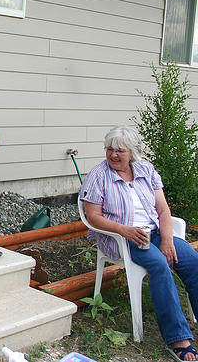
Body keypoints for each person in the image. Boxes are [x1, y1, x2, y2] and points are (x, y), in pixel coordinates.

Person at [80, 125, 198, 361]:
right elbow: (92, 216)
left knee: (192, 261)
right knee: (159, 266)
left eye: (120, 151)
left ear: (132, 152)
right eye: (109, 149)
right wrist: (125, 230)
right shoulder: (98, 175)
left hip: (154, 233)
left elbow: (163, 210)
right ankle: (178, 339)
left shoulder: (146, 170)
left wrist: (167, 240)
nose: (113, 155)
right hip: (122, 238)